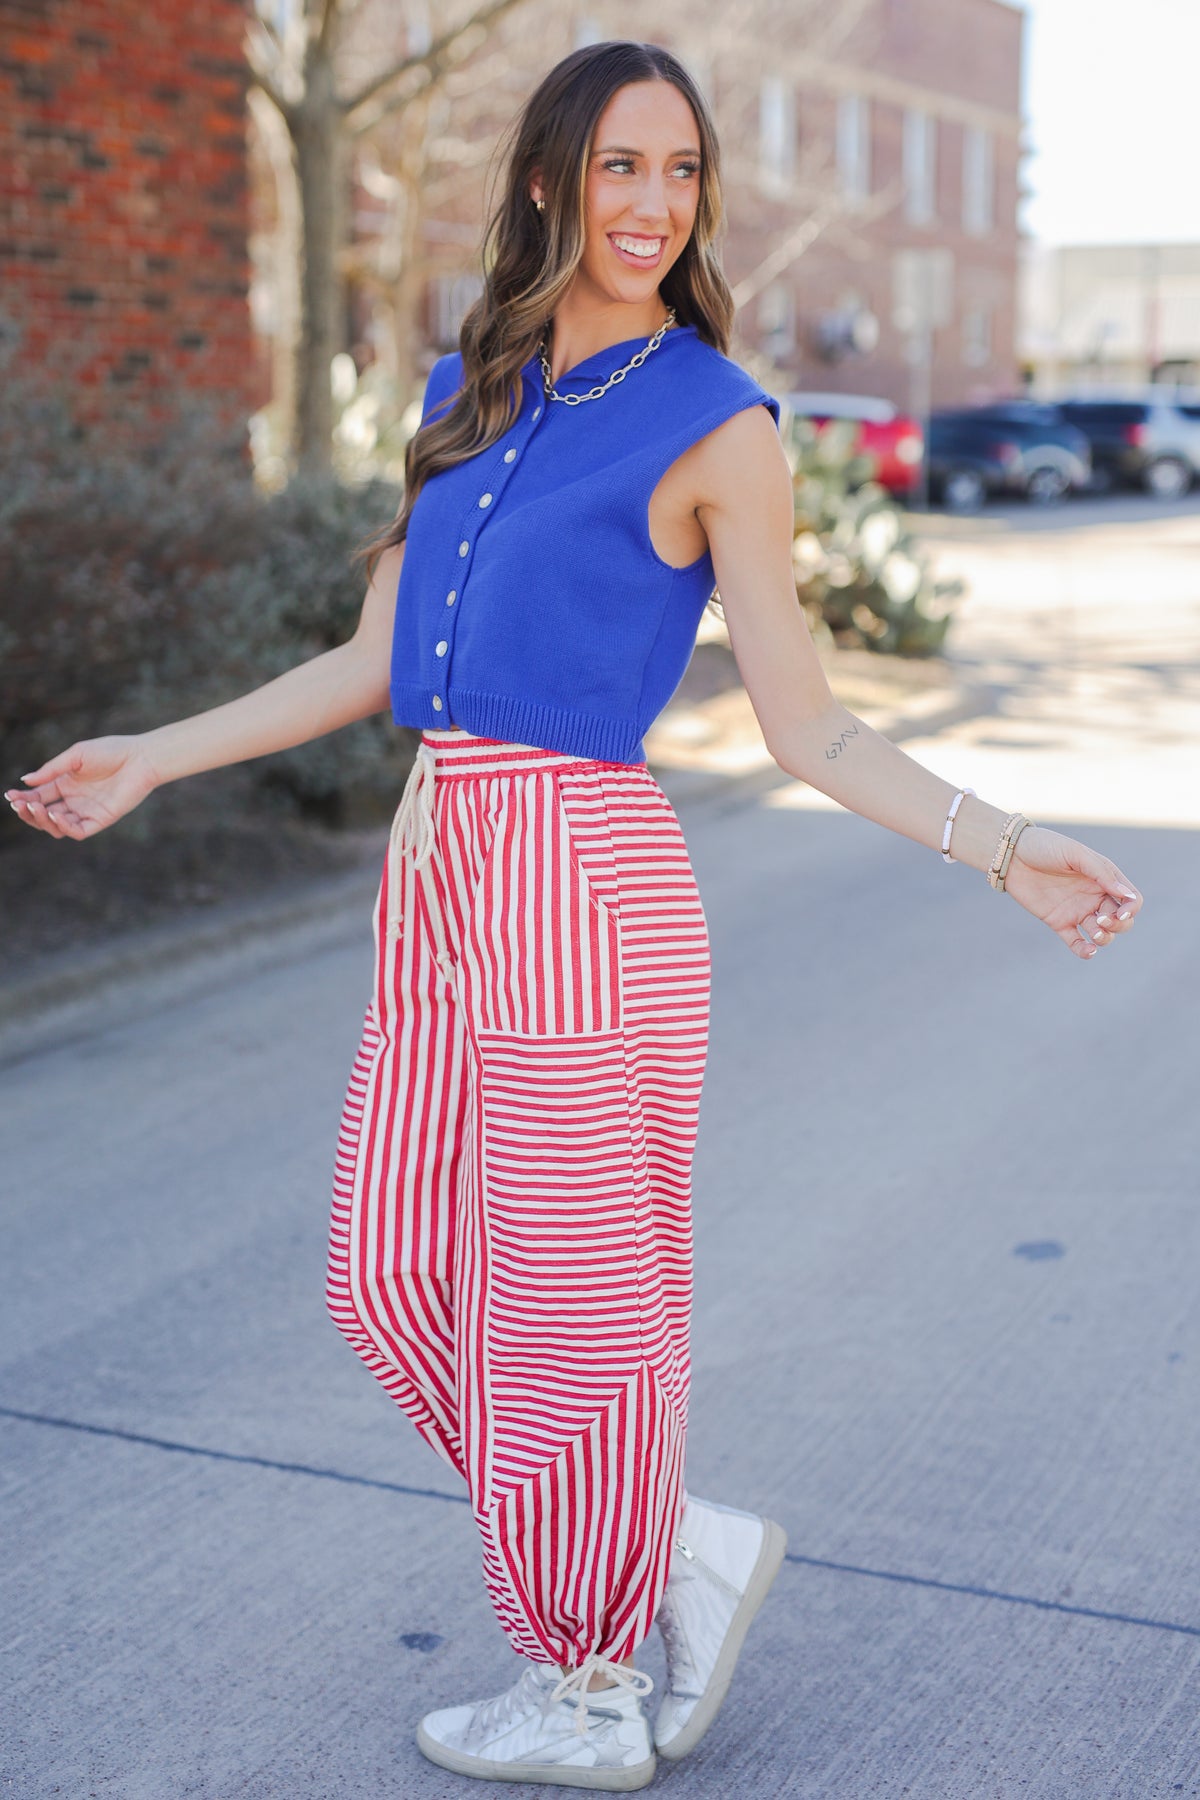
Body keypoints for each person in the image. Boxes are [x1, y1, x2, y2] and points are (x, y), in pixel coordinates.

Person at [5, 39, 1143, 1794]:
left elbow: (806, 722)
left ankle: (590, 1674)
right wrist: (154, 757)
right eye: (621, 167)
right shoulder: (476, 387)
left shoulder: (724, 422)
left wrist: (1004, 844)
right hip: (444, 866)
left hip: (584, 874)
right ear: (550, 180)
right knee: (392, 1274)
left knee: (570, 1310)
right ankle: (660, 1539)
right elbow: (377, 661)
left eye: (680, 172)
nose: (653, 204)